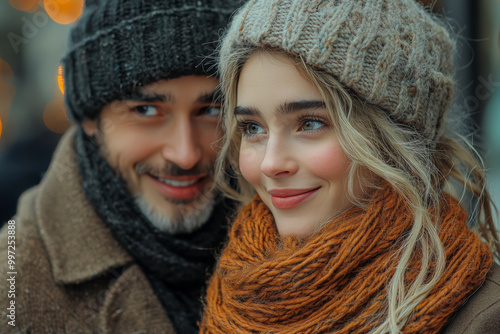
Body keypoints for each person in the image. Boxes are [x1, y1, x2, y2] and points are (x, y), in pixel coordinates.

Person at [200, 0, 500, 333]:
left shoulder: (484, 316)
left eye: (310, 123)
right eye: (252, 128)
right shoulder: (234, 287)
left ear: (393, 140)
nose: (271, 164)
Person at [0, 0, 239, 333]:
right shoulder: (14, 287)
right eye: (145, 110)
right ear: (90, 119)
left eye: (212, 110)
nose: (185, 155)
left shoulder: (294, 231)